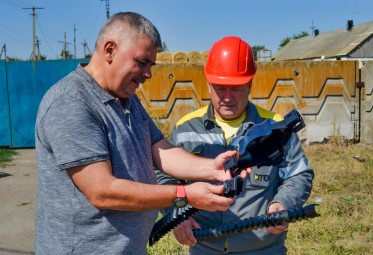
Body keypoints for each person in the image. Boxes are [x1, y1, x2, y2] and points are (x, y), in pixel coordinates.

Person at [34, 13, 247, 255]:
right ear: (110, 50)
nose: (148, 74)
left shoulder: (127, 99)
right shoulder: (70, 103)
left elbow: (161, 151)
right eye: (142, 62)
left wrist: (212, 169)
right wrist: (184, 194)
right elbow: (102, 191)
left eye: (151, 65)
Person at [156, 36, 314, 255]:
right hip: (205, 247)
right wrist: (177, 215)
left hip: (263, 249)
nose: (228, 97)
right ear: (209, 84)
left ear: (250, 84)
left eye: (236, 88)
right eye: (220, 88)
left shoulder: (275, 128)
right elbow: (163, 176)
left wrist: (283, 204)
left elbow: (299, 174)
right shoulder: (186, 129)